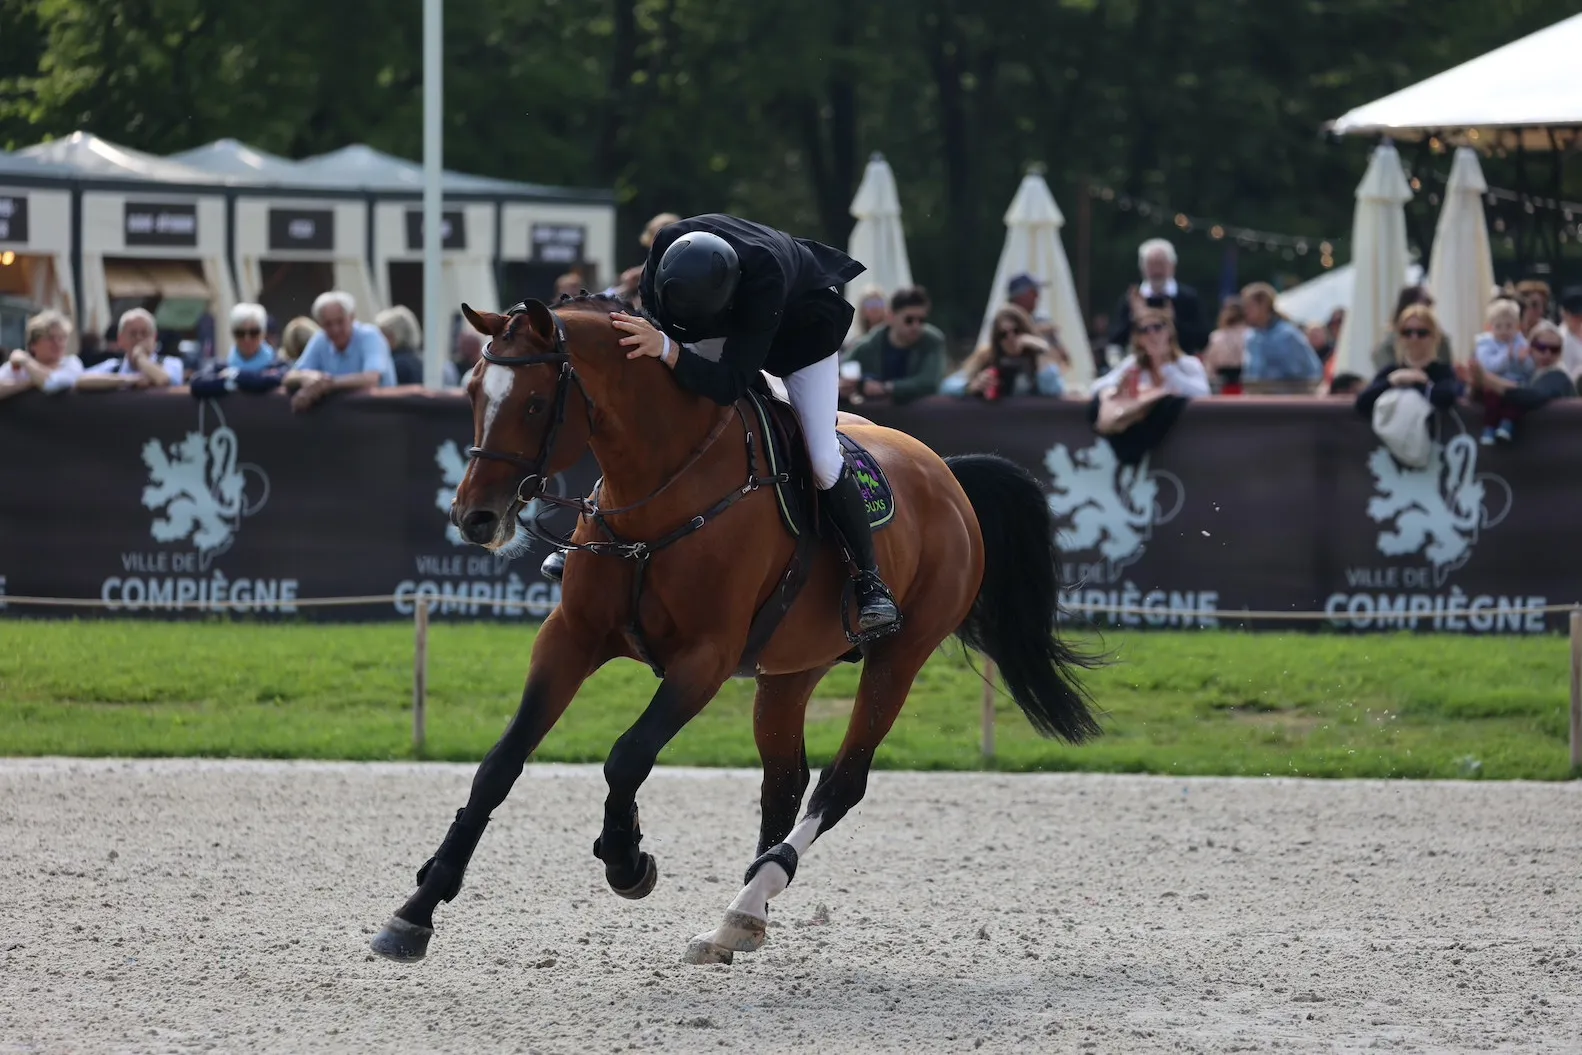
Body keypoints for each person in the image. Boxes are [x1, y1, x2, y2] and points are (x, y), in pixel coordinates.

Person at [538, 212, 900, 637]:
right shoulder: (667, 243)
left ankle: (870, 580)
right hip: (715, 316)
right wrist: (662, 345)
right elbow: (654, 338)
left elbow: (729, 383)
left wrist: (671, 350)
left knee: (821, 458)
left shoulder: (765, 277)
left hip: (801, 334)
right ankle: (587, 534)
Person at [939, 303, 1066, 399]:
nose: (1011, 338)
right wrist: (970, 386)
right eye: (1003, 334)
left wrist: (1039, 350)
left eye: (1016, 331)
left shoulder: (1038, 358)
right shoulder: (987, 356)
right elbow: (946, 387)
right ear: (997, 339)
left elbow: (1054, 390)